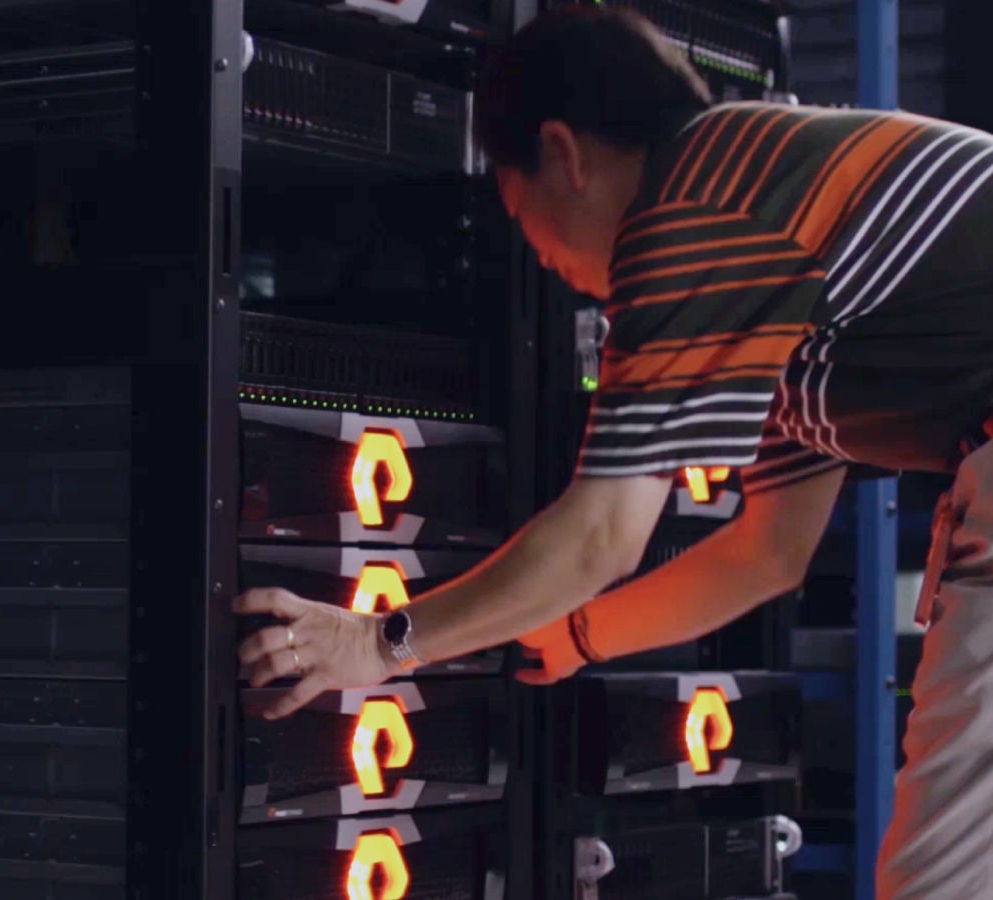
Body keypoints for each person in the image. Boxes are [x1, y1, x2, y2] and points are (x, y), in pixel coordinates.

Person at [233, 7, 993, 897]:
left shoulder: (698, 204)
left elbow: (602, 538)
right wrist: (576, 636)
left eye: (524, 213)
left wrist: (381, 638)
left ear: (564, 154)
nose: (545, 258)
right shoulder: (776, 253)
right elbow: (769, 555)